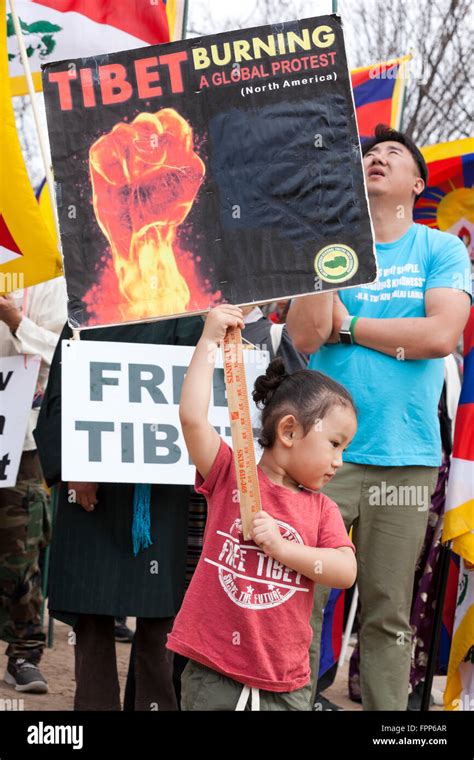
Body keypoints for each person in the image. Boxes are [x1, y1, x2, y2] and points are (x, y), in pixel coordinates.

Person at [286, 124, 472, 710]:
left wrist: (352, 326)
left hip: (405, 462)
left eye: (392, 153)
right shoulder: (330, 245)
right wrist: (322, 248)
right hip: (322, 462)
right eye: (367, 154)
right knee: (299, 602)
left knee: (389, 613)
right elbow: (304, 335)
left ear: (417, 183)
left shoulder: (440, 249)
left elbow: (441, 334)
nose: (376, 159)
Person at [166, 304, 358, 711]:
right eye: (334, 444)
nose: (339, 460)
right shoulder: (230, 474)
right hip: (212, 671)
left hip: (283, 684)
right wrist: (209, 341)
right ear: (289, 431)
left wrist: (285, 550)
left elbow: (345, 570)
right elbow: (191, 418)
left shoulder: (322, 509)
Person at [34, 315, 204, 710]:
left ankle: (154, 705)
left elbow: (205, 395)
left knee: (161, 617)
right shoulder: (87, 312)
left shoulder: (190, 314)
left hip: (165, 486)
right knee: (91, 613)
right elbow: (61, 392)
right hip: (93, 485)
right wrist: (74, 466)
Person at [0, 278, 67, 694]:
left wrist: (16, 321)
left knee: (19, 548)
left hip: (20, 434)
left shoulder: (47, 275)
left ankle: (24, 654)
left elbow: (61, 353)